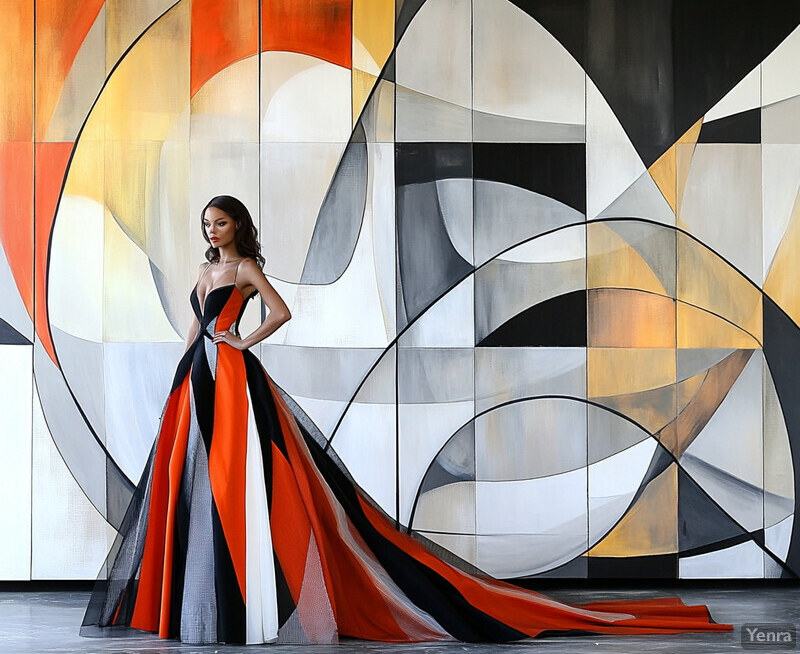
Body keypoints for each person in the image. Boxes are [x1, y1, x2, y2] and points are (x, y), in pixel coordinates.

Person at [82, 195, 732, 645]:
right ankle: (199, 607)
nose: (212, 231)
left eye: (220, 223)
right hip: (198, 376)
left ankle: (244, 605)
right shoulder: (204, 272)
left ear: (237, 227)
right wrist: (195, 351)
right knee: (191, 489)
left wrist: (239, 346)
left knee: (247, 486)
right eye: (207, 224)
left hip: (233, 379)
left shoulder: (247, 270)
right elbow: (196, 324)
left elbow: (281, 314)